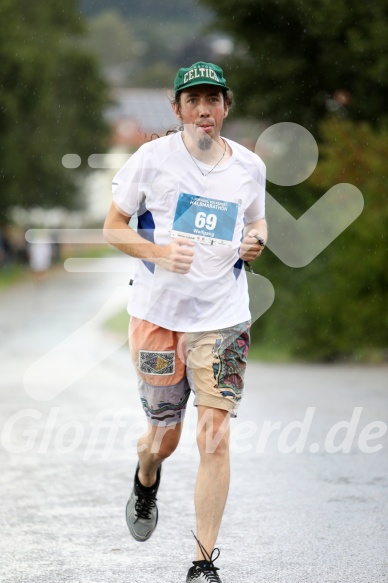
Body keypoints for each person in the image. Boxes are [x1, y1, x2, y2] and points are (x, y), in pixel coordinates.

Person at [104, 61, 267, 583]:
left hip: (223, 318)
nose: (204, 109)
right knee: (164, 436)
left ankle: (203, 562)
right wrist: (157, 251)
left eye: (213, 100)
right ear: (176, 109)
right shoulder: (150, 160)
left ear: (226, 107)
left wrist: (255, 241)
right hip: (158, 316)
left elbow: (257, 219)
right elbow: (112, 227)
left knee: (214, 436)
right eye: (193, 100)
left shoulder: (248, 167)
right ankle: (146, 474)